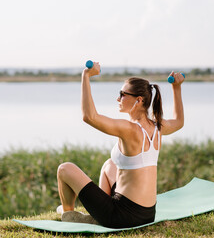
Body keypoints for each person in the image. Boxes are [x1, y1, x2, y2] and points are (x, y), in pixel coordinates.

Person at [57, 62, 184, 228]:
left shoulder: (130, 129)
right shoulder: (158, 126)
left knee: (64, 169)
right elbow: (179, 121)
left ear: (138, 100)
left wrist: (86, 76)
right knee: (109, 165)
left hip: (121, 217)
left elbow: (89, 116)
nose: (118, 98)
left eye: (123, 94)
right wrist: (177, 87)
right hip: (147, 214)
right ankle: (98, 215)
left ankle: (68, 214)